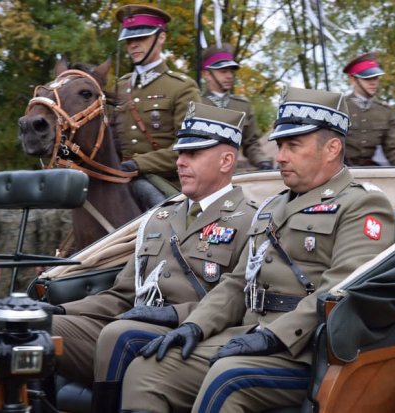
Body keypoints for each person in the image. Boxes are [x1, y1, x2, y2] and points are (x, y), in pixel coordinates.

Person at [121, 86, 395, 412]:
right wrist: (194, 325)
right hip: (247, 334)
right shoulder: (272, 207)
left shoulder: (362, 203)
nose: (279, 156)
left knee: (227, 377)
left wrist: (272, 337)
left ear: (332, 148)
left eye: (294, 145)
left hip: (307, 350)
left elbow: (340, 290)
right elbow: (238, 283)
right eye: (280, 145)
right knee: (146, 370)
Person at [50, 102, 257, 411]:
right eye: (180, 153)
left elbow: (241, 302)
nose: (180, 163)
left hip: (193, 336)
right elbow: (121, 297)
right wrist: (58, 309)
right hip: (130, 326)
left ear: (227, 160)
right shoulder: (158, 218)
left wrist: (176, 314)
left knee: (120, 334)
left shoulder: (251, 220)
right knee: (37, 328)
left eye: (193, 154)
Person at [112, 4, 202, 209]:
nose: (133, 45)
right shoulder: (119, 87)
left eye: (140, 38)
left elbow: (188, 148)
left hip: (165, 184)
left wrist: (138, 165)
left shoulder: (182, 87)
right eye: (129, 40)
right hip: (118, 182)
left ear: (161, 37)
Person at [200, 44, 273, 171]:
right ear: (207, 74)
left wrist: (262, 162)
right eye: (223, 71)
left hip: (233, 173)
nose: (229, 76)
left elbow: (251, 144)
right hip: (202, 172)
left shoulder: (243, 106)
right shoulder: (195, 103)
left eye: (231, 71)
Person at [342, 52, 395, 166]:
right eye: (367, 78)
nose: (373, 82)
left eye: (376, 78)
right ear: (353, 80)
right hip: (339, 171)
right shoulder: (339, 107)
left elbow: (394, 151)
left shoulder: (386, 112)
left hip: (370, 171)